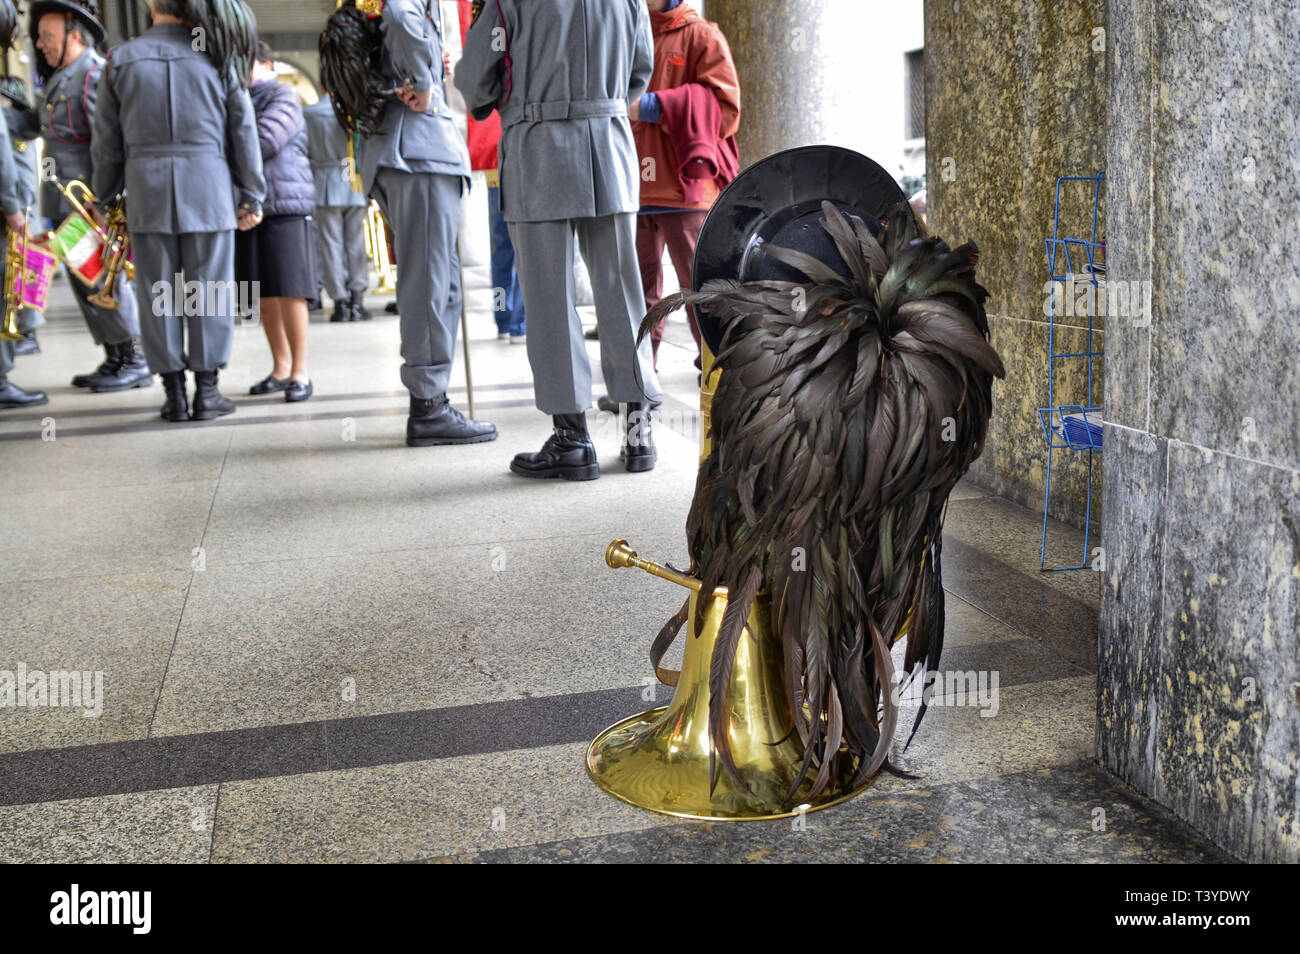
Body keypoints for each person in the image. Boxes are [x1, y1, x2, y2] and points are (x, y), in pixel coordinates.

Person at [456, 0, 662, 480]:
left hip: (538, 149)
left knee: (550, 298)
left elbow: (475, 81)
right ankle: (638, 434)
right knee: (622, 291)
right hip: (608, 147)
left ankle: (572, 440)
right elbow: (640, 71)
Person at [92, 0, 265, 422]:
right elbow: (243, 129)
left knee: (158, 294)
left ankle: (174, 396)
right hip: (209, 188)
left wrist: (103, 196)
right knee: (210, 291)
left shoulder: (120, 60)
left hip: (147, 190)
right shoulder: (218, 53)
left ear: (152, 7)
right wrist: (252, 193)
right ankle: (207, 393)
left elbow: (106, 143)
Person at [350, 0, 496, 447]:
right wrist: (425, 79)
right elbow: (400, 15)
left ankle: (433, 398)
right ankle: (428, 406)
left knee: (441, 282)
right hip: (416, 153)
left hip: (412, 152)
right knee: (429, 284)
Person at [14, 0, 148, 393]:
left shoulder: (94, 74)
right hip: (66, 203)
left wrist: (108, 203)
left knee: (104, 279)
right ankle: (115, 355)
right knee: (84, 282)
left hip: (91, 202)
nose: (40, 44)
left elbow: (109, 142)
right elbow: (39, 125)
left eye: (47, 36)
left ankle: (135, 358)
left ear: (75, 35)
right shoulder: (62, 77)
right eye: (39, 37)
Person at [631, 0, 739, 371]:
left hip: (685, 187)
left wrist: (655, 106)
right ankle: (639, 380)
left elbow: (727, 110)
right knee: (635, 295)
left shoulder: (701, 34)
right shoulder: (627, 29)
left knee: (700, 291)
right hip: (632, 185)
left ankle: (716, 375)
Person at [240, 41, 317, 402]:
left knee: (290, 289)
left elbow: (265, 140)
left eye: (247, 63)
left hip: (286, 202)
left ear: (266, 64)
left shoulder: (283, 95)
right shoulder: (236, 99)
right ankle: (280, 367)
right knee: (264, 293)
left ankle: (301, 372)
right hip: (251, 204)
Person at [455, 0, 524, 344]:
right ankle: (510, 319)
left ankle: (511, 319)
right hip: (511, 143)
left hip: (510, 142)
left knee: (511, 246)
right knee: (513, 245)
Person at [0, 0, 47, 410]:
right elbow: (5, 157)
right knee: (9, 284)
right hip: (9, 206)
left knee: (21, 277)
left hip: (16, 202)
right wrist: (16, 205)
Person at [303, 92, 371, 323]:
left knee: (330, 246)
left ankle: (339, 302)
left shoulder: (310, 114)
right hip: (352, 179)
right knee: (356, 243)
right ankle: (357, 300)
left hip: (324, 182)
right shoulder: (352, 112)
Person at [0, 77, 44, 358]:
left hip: (23, 212)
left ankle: (29, 333)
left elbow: (24, 176)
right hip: (19, 210)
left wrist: (19, 208)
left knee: (27, 274)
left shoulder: (18, 138)